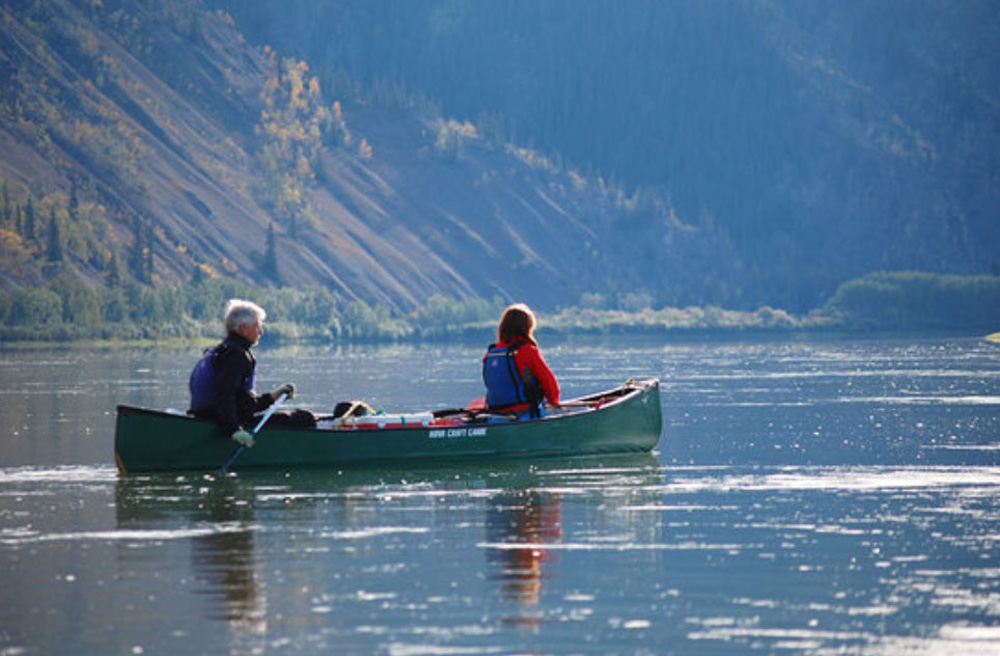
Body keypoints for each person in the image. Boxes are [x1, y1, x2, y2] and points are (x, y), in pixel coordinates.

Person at [189, 298, 301, 448]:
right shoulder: (237, 355)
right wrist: (234, 430)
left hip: (209, 418)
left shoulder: (220, 351)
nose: (260, 332)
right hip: (226, 424)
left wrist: (273, 397)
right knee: (303, 418)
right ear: (243, 329)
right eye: (257, 326)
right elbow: (223, 396)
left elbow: (240, 403)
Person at [482, 303, 560, 418]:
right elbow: (551, 386)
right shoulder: (527, 351)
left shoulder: (491, 353)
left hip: (496, 415)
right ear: (527, 327)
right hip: (524, 414)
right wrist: (554, 404)